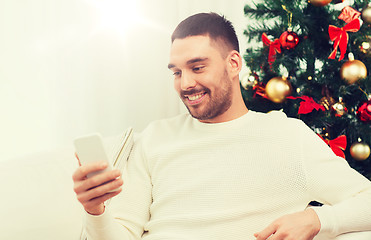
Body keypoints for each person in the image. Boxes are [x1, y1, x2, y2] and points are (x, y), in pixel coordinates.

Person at [72, 12, 371, 240]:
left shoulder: (287, 136)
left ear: (233, 64)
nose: (185, 83)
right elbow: (122, 233)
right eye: (176, 72)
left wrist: (317, 220)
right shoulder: (154, 138)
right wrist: (95, 210)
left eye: (197, 67)